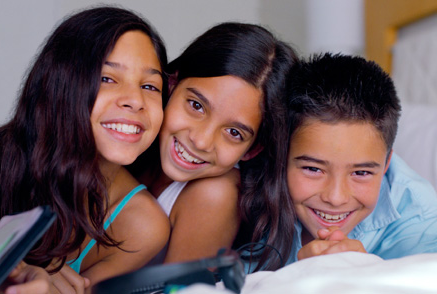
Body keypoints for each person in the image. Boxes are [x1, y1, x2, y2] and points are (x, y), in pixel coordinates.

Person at [0, 6, 170, 293]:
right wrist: (10, 275)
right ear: (61, 85)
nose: (135, 100)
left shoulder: (141, 226)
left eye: (150, 86)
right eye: (107, 78)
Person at [130, 22, 298, 271]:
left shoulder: (215, 194)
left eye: (233, 133)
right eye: (196, 106)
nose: (201, 140)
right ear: (172, 84)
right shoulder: (132, 144)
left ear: (253, 149)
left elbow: (179, 290)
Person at [284, 53, 437, 264]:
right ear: (282, 154)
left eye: (361, 173)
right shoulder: (248, 193)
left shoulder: (420, 216)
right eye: (313, 169)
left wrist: (366, 273)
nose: (336, 198)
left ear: (386, 165)